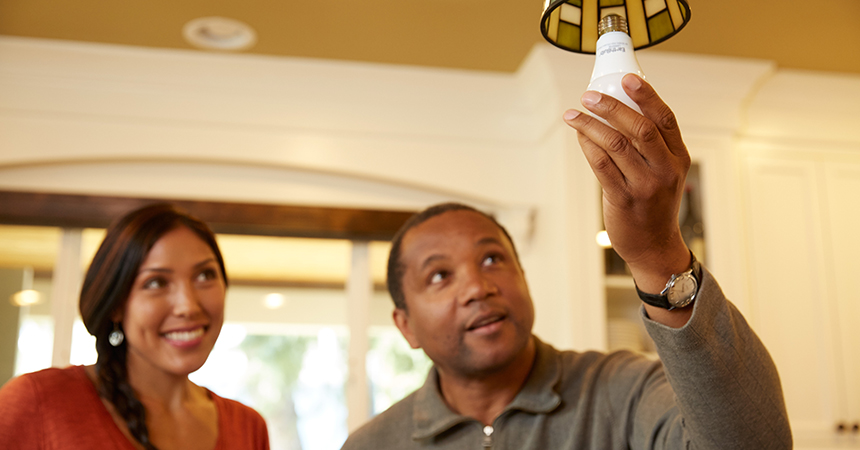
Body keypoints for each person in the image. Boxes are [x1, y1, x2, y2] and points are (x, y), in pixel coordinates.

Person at [341, 74, 792, 449]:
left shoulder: (625, 391)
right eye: (440, 275)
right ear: (405, 326)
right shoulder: (372, 444)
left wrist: (657, 252)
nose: (479, 287)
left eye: (494, 258)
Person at [0, 204, 270, 450]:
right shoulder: (36, 403)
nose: (188, 305)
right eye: (155, 283)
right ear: (116, 303)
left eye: (204, 275)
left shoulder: (248, 427)